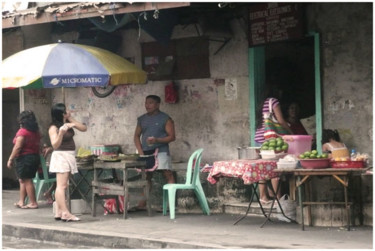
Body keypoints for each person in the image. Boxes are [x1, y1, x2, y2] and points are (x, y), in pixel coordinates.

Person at [254, 85, 293, 205]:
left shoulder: (262, 103)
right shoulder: (274, 101)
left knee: (262, 168)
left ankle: (263, 196)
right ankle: (278, 198)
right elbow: (280, 120)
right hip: (269, 139)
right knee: (274, 168)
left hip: (259, 138)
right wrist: (290, 132)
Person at [48, 103, 87, 221]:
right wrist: (61, 133)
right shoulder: (53, 128)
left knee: (63, 185)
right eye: (64, 112)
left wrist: (71, 120)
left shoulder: (66, 123)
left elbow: (83, 128)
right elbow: (55, 144)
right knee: (62, 186)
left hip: (69, 155)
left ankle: (59, 211)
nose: (66, 113)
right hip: (61, 156)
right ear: (60, 114)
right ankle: (65, 212)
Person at [134, 95, 176, 194]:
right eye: (146, 103)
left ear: (157, 105)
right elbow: (136, 136)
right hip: (145, 151)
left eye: (150, 103)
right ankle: (142, 203)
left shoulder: (165, 118)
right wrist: (140, 152)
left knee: (168, 174)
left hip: (161, 151)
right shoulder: (142, 119)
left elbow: (172, 137)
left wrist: (157, 140)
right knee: (146, 177)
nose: (147, 105)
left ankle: (171, 204)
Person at [7, 110, 41, 209]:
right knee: (23, 180)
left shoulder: (22, 132)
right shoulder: (36, 132)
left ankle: (33, 203)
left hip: (25, 158)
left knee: (27, 180)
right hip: (34, 157)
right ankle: (21, 201)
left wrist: (10, 159)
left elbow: (17, 147)